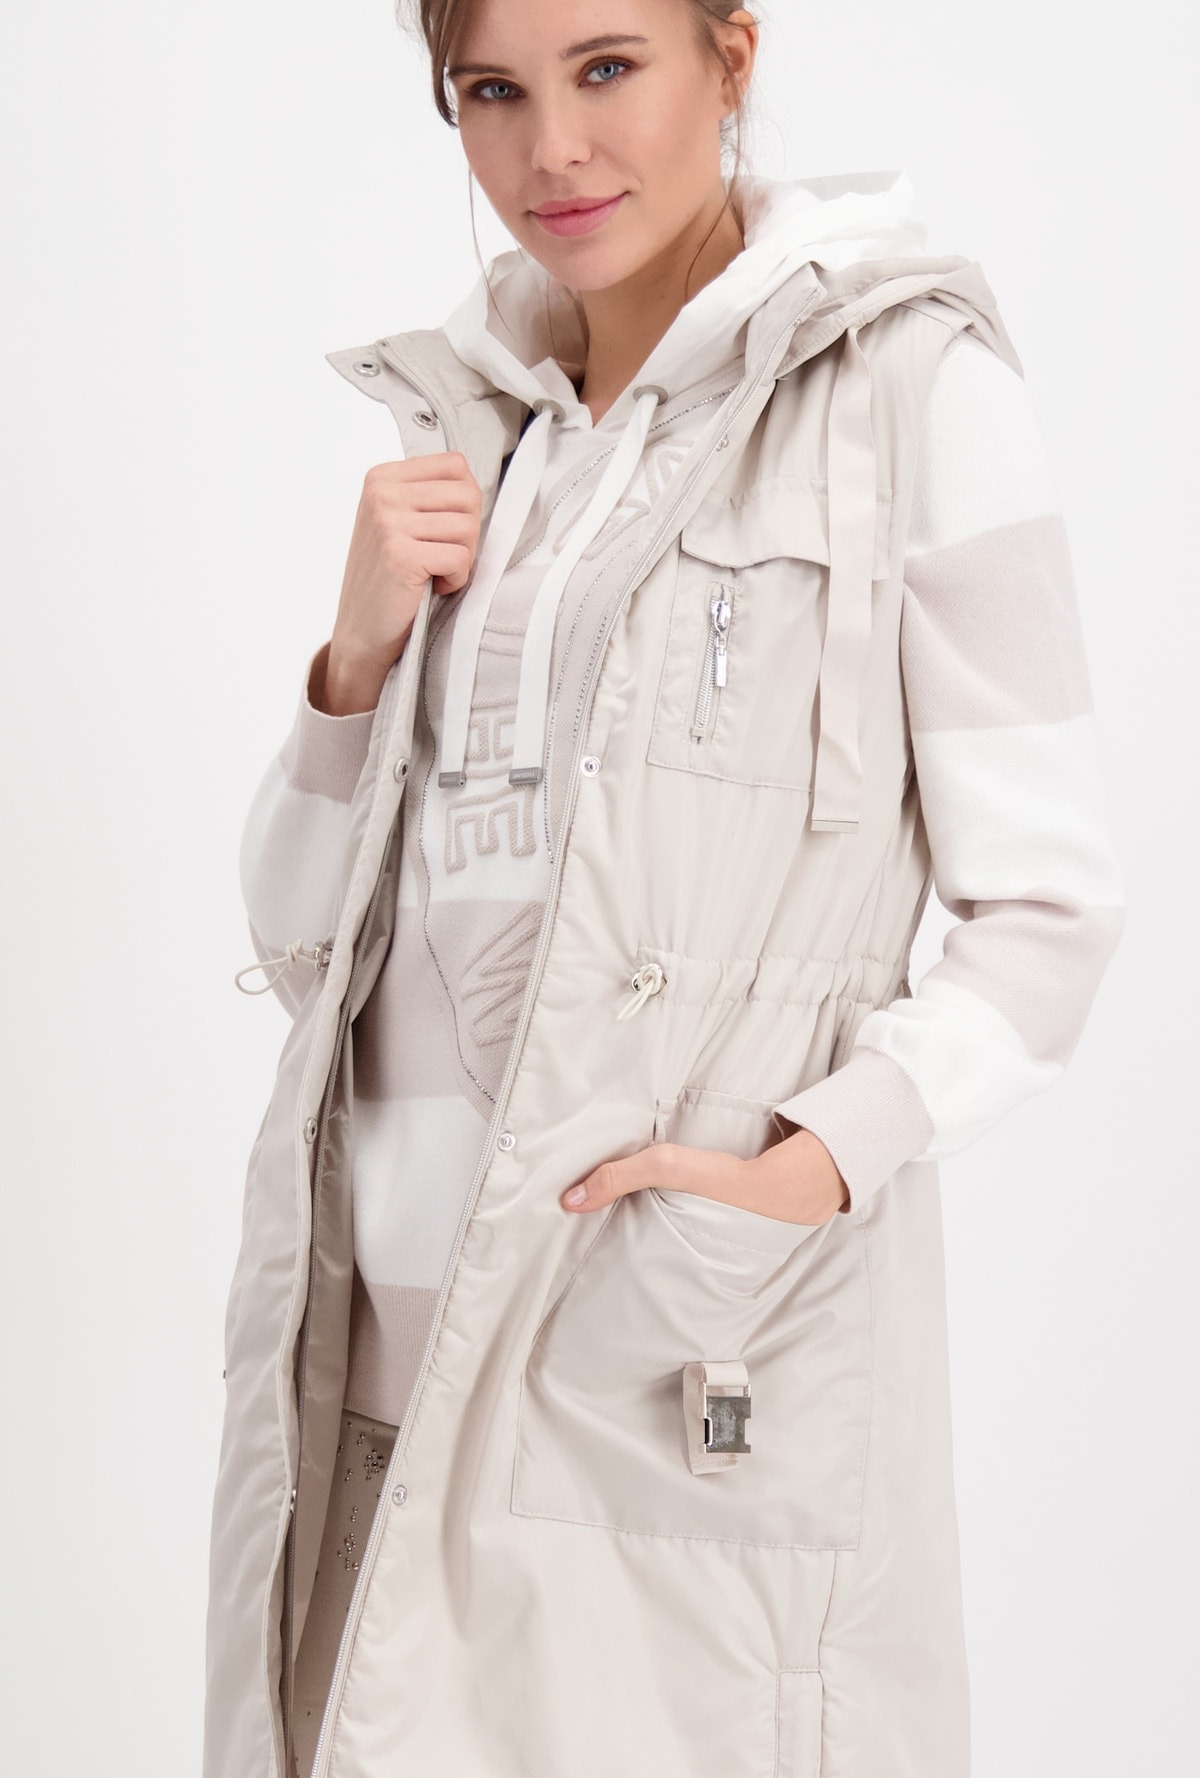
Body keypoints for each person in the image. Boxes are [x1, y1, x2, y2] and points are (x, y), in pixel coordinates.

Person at [205, 4, 1126, 1775]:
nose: (550, 147)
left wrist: (814, 1160)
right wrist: (353, 660)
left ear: (733, 55)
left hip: (662, 1353)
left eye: (607, 67)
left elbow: (1051, 912)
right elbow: (302, 939)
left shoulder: (909, 391)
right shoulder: (478, 435)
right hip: (377, 1357)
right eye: (493, 90)